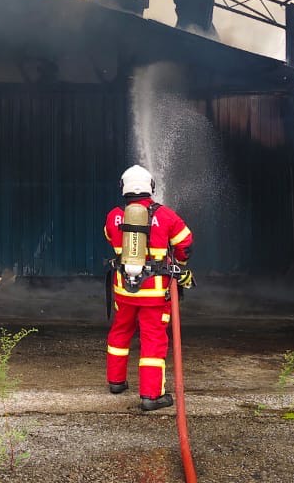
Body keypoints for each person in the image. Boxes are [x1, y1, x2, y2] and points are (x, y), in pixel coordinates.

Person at [104, 164, 194, 411]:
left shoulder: (114, 215)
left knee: (120, 332)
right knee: (153, 339)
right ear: (150, 187)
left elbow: (110, 237)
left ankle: (116, 382)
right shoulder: (164, 215)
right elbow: (185, 243)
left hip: (125, 290)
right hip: (154, 294)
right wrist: (179, 265)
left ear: (123, 187)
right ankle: (151, 396)